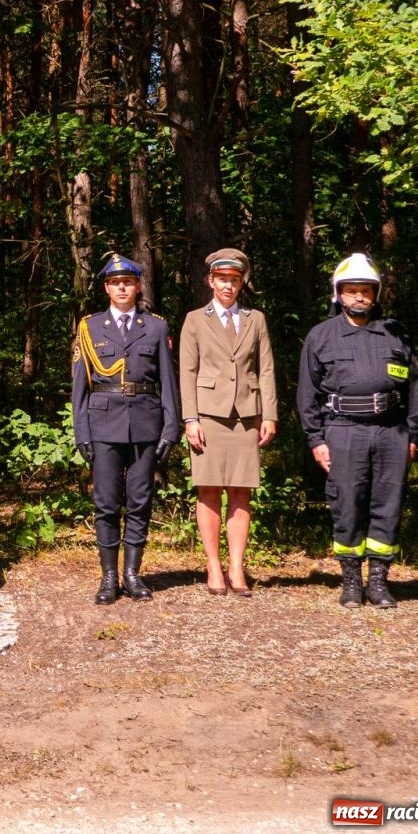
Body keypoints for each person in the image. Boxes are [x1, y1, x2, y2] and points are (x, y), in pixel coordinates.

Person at [297, 253, 418, 608]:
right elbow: (307, 393)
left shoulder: (395, 333)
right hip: (343, 431)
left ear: (375, 293)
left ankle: (380, 581)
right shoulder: (321, 336)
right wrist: (316, 439)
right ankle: (351, 581)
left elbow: (414, 389)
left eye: (365, 291)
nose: (359, 297)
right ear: (339, 294)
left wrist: (412, 434)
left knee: (388, 504)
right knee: (347, 504)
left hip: (391, 432)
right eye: (351, 290)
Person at [72, 253, 181, 605]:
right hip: (103, 423)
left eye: (128, 282)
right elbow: (80, 386)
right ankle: (108, 577)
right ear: (106, 287)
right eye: (116, 283)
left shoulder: (156, 327)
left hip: (147, 423)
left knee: (139, 501)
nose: (122, 288)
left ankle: (133, 574)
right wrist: (82, 432)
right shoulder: (89, 327)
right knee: (105, 503)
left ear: (138, 286)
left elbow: (168, 380)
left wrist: (170, 428)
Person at [179, 248, 278, 597]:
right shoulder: (194, 320)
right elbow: (187, 371)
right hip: (208, 415)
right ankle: (213, 566)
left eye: (234, 280)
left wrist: (270, 414)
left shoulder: (256, 319)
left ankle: (237, 566)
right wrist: (190, 418)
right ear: (211, 281)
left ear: (241, 283)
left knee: (240, 491)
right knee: (208, 490)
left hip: (247, 417)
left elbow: (265, 369)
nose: (228, 285)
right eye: (222, 279)